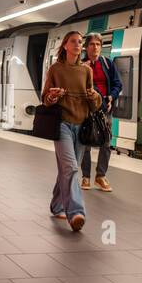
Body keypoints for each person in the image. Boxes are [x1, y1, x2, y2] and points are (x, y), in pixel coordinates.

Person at [41, 30, 101, 232]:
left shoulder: (86, 71)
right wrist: (52, 96)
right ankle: (76, 213)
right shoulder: (56, 70)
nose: (78, 44)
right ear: (65, 45)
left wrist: (94, 96)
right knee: (71, 168)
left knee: (67, 170)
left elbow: (94, 104)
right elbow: (45, 99)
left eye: (80, 42)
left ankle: (57, 205)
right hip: (62, 125)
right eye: (73, 41)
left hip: (82, 126)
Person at [79, 32, 122, 192]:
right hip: (87, 109)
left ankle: (100, 176)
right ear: (86, 47)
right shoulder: (81, 65)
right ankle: (85, 176)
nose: (95, 47)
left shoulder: (108, 63)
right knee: (86, 142)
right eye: (92, 44)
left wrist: (111, 97)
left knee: (106, 142)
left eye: (98, 44)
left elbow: (118, 84)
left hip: (105, 109)